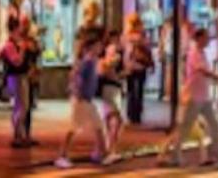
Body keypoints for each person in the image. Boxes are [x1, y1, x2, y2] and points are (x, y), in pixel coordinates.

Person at [158, 27, 218, 169]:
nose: (208, 40)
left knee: (214, 126)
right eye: (205, 38)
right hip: (193, 97)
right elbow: (203, 71)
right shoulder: (194, 53)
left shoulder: (201, 53)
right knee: (184, 129)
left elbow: (205, 72)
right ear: (198, 38)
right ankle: (173, 156)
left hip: (202, 96)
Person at [55, 29, 111, 168]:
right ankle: (62, 155)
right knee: (73, 127)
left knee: (98, 126)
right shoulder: (87, 61)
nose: (101, 48)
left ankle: (101, 153)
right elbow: (77, 79)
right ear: (91, 46)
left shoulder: (91, 60)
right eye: (98, 45)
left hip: (87, 99)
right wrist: (78, 94)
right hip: (82, 100)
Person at [1, 19, 32, 147]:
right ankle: (17, 135)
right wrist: (23, 50)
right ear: (15, 28)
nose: (21, 29)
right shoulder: (9, 45)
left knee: (22, 106)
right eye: (19, 27)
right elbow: (16, 62)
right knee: (21, 106)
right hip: (15, 77)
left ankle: (21, 134)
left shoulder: (17, 42)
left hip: (21, 76)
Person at [98, 29, 126, 162]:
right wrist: (118, 77)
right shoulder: (114, 52)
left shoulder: (106, 52)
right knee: (116, 118)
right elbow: (109, 69)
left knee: (109, 117)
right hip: (112, 87)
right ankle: (110, 149)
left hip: (107, 87)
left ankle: (107, 148)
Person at [122, 14, 154, 125]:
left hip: (130, 65)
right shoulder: (142, 36)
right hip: (139, 65)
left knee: (131, 90)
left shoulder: (126, 36)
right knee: (138, 90)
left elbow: (124, 50)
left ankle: (132, 113)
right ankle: (136, 114)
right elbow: (147, 50)